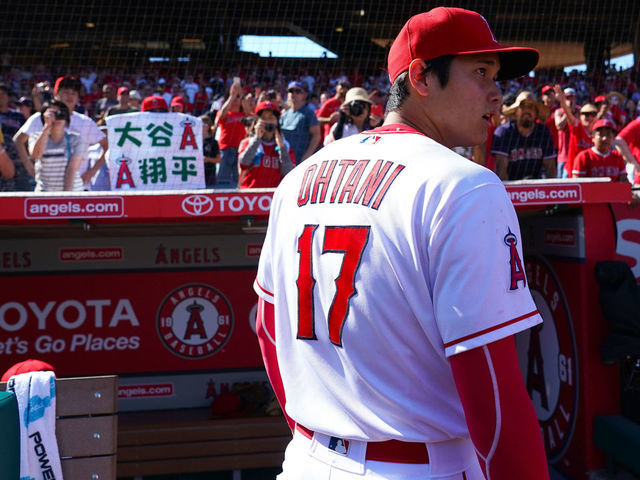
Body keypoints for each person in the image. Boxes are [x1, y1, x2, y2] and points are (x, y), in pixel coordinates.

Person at [254, 6, 548, 480]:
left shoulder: (299, 177)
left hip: (305, 460)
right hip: (421, 468)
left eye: (497, 76)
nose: (498, 92)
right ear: (421, 78)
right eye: (479, 71)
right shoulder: (465, 185)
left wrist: (321, 440)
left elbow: (268, 332)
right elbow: (494, 394)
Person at [13, 76, 107, 185]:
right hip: (47, 187)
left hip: (79, 187)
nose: (70, 96)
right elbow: (18, 140)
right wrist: (30, 169)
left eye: (74, 93)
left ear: (78, 98)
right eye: (66, 92)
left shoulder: (85, 122)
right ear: (56, 94)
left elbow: (107, 145)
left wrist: (92, 172)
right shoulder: (40, 118)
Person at [492, 90, 556, 180]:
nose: (527, 111)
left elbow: (551, 169)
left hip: (537, 188)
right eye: (523, 107)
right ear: (516, 111)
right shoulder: (504, 132)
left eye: (531, 107)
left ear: (536, 113)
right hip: (511, 187)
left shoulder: (543, 133)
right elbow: (501, 171)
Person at [237, 100, 294, 188]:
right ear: (257, 121)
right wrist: (257, 139)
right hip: (250, 196)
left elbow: (289, 173)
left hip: (272, 196)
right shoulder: (247, 142)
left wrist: (282, 149)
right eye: (264, 118)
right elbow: (244, 164)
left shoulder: (285, 145)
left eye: (271, 118)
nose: (267, 122)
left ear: (277, 122)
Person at [30, 100, 83, 191]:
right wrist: (47, 126)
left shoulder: (75, 139)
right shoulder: (36, 137)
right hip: (45, 194)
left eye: (61, 113)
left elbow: (71, 170)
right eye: (53, 113)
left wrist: (66, 198)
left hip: (72, 192)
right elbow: (36, 155)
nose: (58, 117)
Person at [215, 81, 252, 187]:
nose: (236, 99)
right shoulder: (225, 113)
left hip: (240, 149)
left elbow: (249, 113)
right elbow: (221, 114)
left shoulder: (243, 114)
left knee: (238, 180)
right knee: (223, 181)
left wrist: (241, 95)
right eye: (234, 97)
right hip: (226, 149)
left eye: (237, 98)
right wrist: (232, 95)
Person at [279, 81, 320, 164]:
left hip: (299, 161)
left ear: (303, 95)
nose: (294, 94)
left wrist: (306, 157)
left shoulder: (309, 113)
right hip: (283, 161)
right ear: (287, 94)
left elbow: (316, 136)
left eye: (297, 91)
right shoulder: (284, 115)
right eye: (291, 91)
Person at [0, 83, 30, 190]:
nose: (0, 96)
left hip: (17, 156)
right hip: (2, 153)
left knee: (21, 190)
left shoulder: (18, 116)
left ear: (8, 97)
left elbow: (26, 136)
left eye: (3, 94)